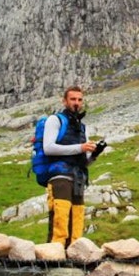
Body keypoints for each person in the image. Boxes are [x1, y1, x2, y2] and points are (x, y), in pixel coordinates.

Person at [42, 85, 100, 245]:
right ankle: (55, 255)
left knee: (77, 217)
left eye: (80, 100)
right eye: (73, 99)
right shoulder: (55, 120)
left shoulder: (83, 127)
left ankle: (75, 254)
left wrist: (93, 155)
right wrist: (80, 147)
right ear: (64, 101)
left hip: (78, 178)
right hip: (60, 176)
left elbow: (84, 160)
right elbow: (48, 148)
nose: (77, 103)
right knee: (60, 217)